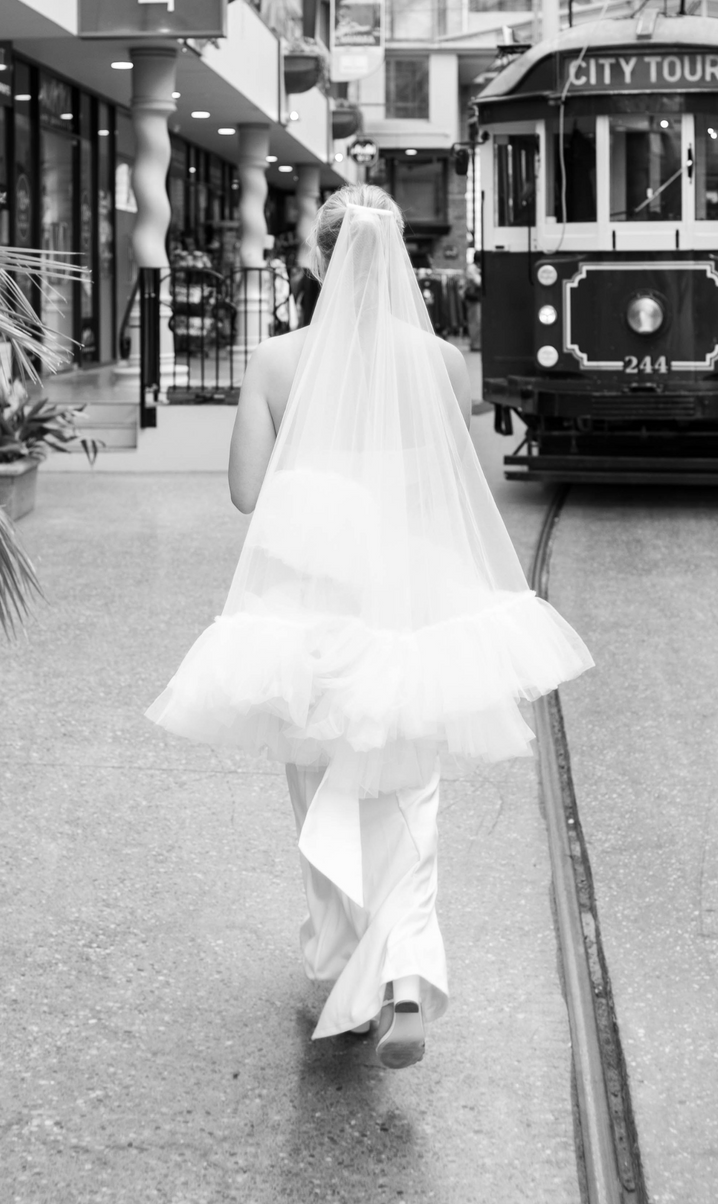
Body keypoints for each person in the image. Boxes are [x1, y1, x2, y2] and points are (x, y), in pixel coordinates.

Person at [146, 184, 592, 1070]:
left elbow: (246, 493)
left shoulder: (277, 360)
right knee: (409, 795)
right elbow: (452, 494)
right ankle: (405, 975)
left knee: (319, 791)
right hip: (410, 603)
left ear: (316, 257)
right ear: (395, 259)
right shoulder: (438, 360)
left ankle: (345, 974)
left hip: (309, 609)